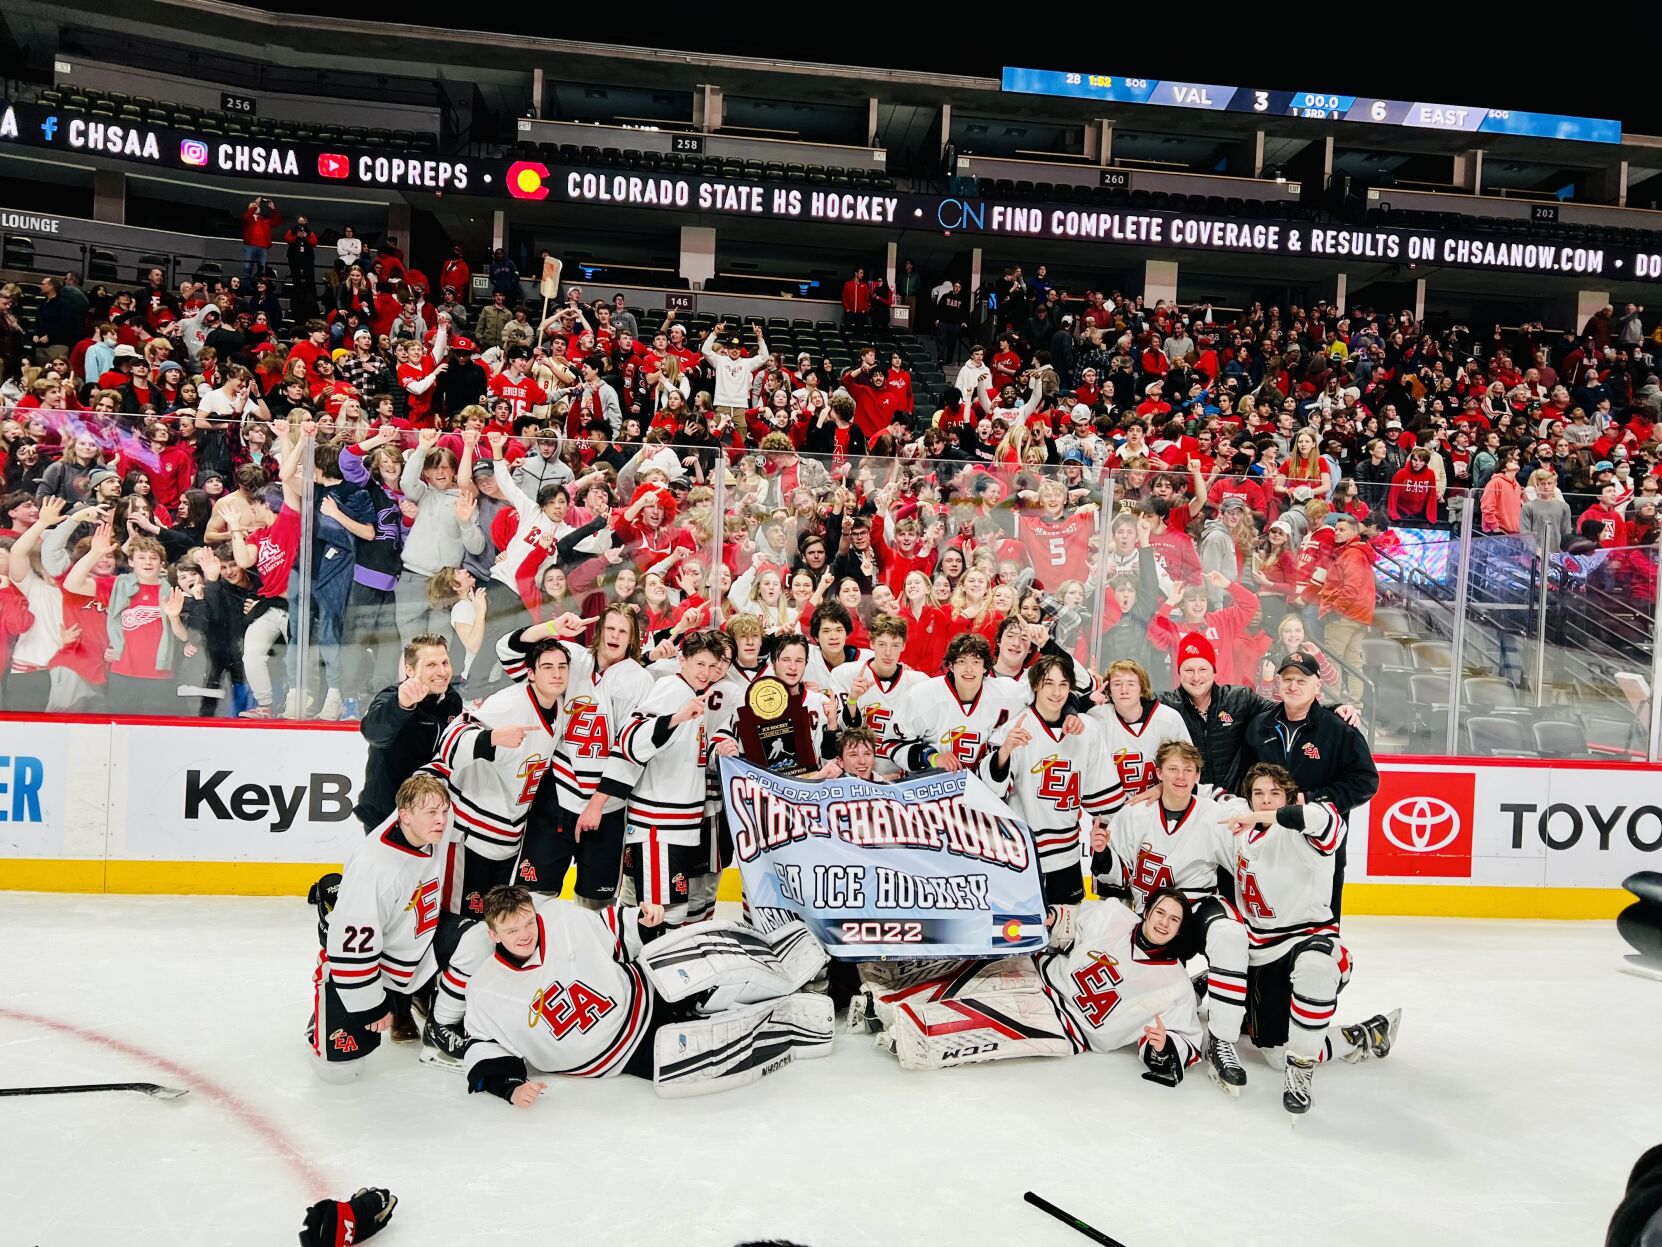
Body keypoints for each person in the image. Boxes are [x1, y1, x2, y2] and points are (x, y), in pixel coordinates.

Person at [439, 884, 832, 1103]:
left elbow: (612, 927)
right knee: (695, 1053)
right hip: (618, 1055)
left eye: (528, 922)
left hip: (644, 991)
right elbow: (485, 1047)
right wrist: (508, 1087)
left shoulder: (562, 918)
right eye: (512, 931)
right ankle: (782, 1020)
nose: (524, 934)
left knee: (703, 975)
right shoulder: (487, 990)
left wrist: (643, 923)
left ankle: (775, 964)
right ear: (493, 935)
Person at [859, 888, 1202, 1087]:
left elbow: (1185, 1039)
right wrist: (1053, 919)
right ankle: (878, 1001)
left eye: (1174, 919)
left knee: (973, 1023)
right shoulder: (1115, 915)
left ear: (1181, 929)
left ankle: (901, 1033)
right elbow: (1070, 921)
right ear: (1147, 911)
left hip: (1066, 1026)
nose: (1163, 923)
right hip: (1039, 973)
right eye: (1160, 912)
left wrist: (1162, 1047)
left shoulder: (1175, 986)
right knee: (961, 976)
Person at [1221, 762, 1400, 1113]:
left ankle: (1300, 1073)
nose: (1266, 799)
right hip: (1262, 953)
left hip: (1310, 938)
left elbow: (1326, 820)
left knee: (1315, 969)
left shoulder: (1307, 827)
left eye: (1275, 793)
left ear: (1290, 797)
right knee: (1274, 1055)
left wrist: (1277, 815)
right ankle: (1362, 1035)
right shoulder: (1240, 830)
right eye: (1258, 793)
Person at [1091, 739, 1250, 1094]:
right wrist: (1102, 855)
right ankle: (1191, 994)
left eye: (1189, 770)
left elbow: (1244, 860)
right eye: (1173, 769)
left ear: (1198, 776)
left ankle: (1221, 1041)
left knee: (1230, 936)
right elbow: (1116, 873)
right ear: (1158, 773)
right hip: (1152, 914)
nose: (1181, 777)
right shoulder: (1134, 816)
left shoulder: (1213, 815)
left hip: (1194, 908)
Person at [419, 636, 577, 916]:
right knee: (458, 921)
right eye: (547, 667)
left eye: (562, 667)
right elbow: (451, 742)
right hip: (472, 833)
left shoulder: (560, 709)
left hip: (507, 840)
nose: (556, 673)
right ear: (530, 673)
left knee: (490, 924)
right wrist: (491, 738)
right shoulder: (509, 704)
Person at [307, 774, 450, 1081]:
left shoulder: (425, 827)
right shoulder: (376, 868)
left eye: (444, 812)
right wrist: (370, 1005)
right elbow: (351, 949)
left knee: (475, 939)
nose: (441, 820)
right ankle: (331, 916)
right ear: (404, 816)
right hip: (366, 959)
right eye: (431, 813)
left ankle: (443, 1026)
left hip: (408, 941)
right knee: (340, 1072)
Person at [600, 629, 731, 930]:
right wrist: (674, 719)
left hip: (675, 827)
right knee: (660, 918)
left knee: (663, 914)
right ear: (681, 660)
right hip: (658, 826)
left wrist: (715, 750)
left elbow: (684, 752)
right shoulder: (672, 688)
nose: (706, 672)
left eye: (713, 666)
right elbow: (631, 738)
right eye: (699, 664)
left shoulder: (689, 694)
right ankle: (645, 977)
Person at [1241, 652, 1380, 924]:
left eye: (1302, 680)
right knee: (1268, 925)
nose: (1293, 686)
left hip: (1319, 848)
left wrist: (1311, 799)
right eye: (1287, 679)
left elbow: (1365, 782)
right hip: (1269, 846)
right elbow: (1245, 780)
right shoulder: (1259, 726)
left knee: (1319, 931)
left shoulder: (1339, 729)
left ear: (1318, 686)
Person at [981, 655, 1123, 904]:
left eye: (1063, 684)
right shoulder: (1016, 728)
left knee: (1064, 933)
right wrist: (1005, 750)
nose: (1056, 692)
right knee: (1017, 930)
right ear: (1035, 685)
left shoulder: (1087, 728)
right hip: (1022, 853)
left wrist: (1111, 828)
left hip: (1067, 855)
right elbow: (990, 790)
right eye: (1048, 683)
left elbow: (1102, 795)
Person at [354, 634, 463, 832]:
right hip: (388, 815)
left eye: (445, 662)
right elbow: (373, 732)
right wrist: (402, 705)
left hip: (431, 813)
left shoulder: (452, 700)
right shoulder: (392, 697)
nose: (442, 671)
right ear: (409, 670)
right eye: (431, 665)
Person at [1088, 658, 1192, 795]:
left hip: (1160, 808)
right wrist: (1084, 701)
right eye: (1117, 684)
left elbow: (1191, 767)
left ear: (1142, 689)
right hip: (1113, 811)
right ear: (1108, 691)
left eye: (1131, 684)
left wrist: (1162, 790)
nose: (1124, 690)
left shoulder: (1168, 718)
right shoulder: (1097, 719)